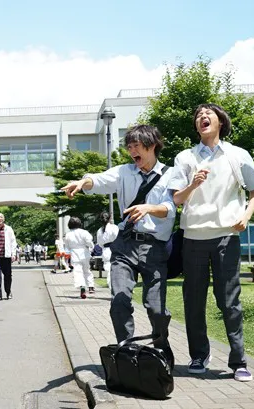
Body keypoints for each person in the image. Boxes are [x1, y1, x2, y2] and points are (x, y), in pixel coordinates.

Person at [61, 124, 176, 369]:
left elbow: (172, 209)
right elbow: (100, 180)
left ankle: (162, 344)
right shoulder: (125, 172)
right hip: (124, 245)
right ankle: (127, 351)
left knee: (156, 308)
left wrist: (148, 209)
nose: (132, 151)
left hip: (154, 247)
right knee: (119, 301)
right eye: (129, 146)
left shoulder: (171, 174)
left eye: (137, 146)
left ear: (152, 145)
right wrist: (83, 182)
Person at [170, 103, 254, 382]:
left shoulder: (237, 155)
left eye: (207, 114)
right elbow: (176, 198)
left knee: (229, 301)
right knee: (193, 300)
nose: (202, 118)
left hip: (227, 236)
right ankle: (198, 355)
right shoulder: (186, 157)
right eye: (198, 115)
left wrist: (246, 217)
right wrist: (193, 184)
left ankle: (238, 361)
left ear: (220, 122)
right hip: (194, 238)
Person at [64, 217, 95, 298]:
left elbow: (66, 247)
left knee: (78, 272)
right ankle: (91, 286)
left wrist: (67, 257)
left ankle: (82, 288)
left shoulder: (68, 234)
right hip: (85, 253)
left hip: (74, 254)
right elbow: (89, 242)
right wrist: (91, 247)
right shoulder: (84, 232)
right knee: (87, 270)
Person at [0, 213, 17, 300]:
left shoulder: (8, 229)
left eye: (1, 217)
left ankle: (8, 292)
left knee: (7, 276)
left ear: (3, 219)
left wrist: (13, 254)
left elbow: (13, 242)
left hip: (6, 256)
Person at [96, 212, 119, 290]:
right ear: (109, 218)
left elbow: (99, 244)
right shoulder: (114, 227)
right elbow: (118, 238)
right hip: (116, 248)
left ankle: (112, 289)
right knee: (119, 270)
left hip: (106, 251)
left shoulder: (99, 230)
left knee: (109, 272)